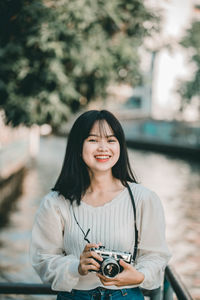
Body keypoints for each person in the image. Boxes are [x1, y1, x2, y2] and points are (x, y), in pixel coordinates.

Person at [30, 110, 171, 300]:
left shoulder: (144, 199)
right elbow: (42, 260)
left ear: (120, 146)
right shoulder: (55, 202)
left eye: (111, 140)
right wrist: (77, 267)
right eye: (93, 140)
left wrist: (140, 275)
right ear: (78, 147)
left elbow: (156, 256)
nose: (103, 147)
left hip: (127, 295)